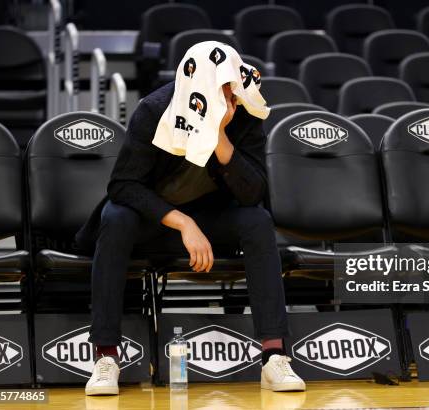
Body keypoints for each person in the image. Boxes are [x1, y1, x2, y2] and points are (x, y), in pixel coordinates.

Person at [75, 43, 305, 395]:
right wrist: (182, 222)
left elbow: (252, 193)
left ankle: (273, 357)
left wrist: (221, 139)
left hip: (210, 219)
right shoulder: (154, 110)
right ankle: (105, 357)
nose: (228, 94)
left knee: (257, 221)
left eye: (231, 85)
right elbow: (123, 185)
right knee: (116, 216)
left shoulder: (245, 112)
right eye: (219, 87)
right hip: (153, 221)